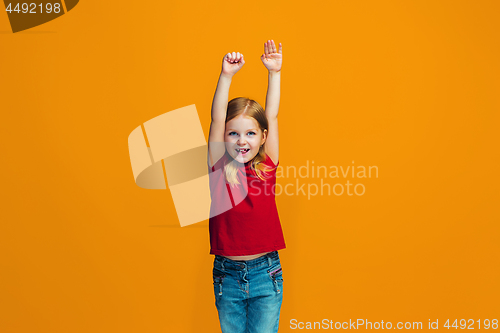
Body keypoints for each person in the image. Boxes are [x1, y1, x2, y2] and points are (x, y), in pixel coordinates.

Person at [207, 40, 286, 333]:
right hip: (227, 275)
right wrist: (226, 76)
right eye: (234, 133)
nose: (242, 140)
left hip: (267, 272)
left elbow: (273, 115)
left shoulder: (267, 167)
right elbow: (216, 118)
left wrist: (274, 73)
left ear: (263, 137)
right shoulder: (218, 168)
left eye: (251, 133)